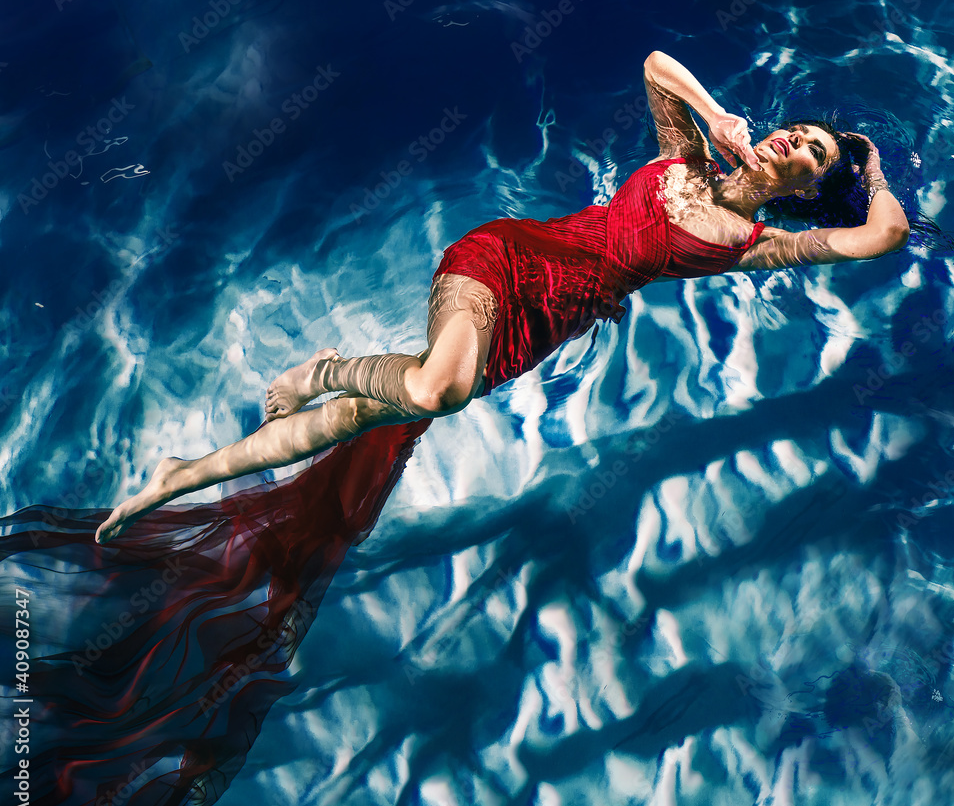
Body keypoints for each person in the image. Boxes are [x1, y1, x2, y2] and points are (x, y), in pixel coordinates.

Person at [94, 51, 910, 545]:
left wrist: (865, 168)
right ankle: (328, 368)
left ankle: (181, 474)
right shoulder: (685, 155)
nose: (795, 140)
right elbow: (657, 66)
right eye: (800, 129)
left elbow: (881, 237)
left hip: (544, 324)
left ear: (803, 189)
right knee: (431, 390)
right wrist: (715, 112)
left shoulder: (756, 247)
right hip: (510, 258)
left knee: (370, 419)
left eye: (811, 153)